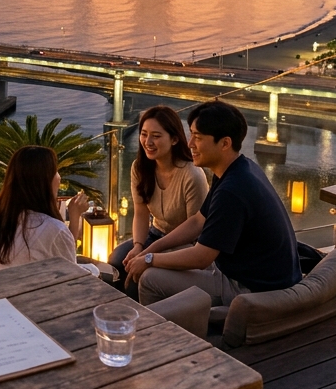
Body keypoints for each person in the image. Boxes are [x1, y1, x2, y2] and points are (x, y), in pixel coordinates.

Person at [126, 100, 302, 307]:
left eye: (198, 137)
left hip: (250, 286)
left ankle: (164, 335)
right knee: (144, 265)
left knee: (150, 279)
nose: (190, 143)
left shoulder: (232, 189)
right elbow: (197, 221)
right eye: (191, 134)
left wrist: (149, 260)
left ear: (225, 143)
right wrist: (149, 250)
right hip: (248, 272)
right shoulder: (237, 168)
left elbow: (202, 257)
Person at [109, 106, 208, 295]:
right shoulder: (140, 168)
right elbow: (140, 212)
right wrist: (138, 245)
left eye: (156, 136)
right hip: (155, 234)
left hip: (183, 244)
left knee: (137, 277)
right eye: (144, 134)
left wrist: (149, 253)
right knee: (117, 262)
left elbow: (195, 229)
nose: (148, 142)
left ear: (174, 139)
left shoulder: (192, 175)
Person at [0, 145, 89, 275]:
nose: (59, 177)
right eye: (55, 171)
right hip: (29, 294)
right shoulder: (52, 228)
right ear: (44, 181)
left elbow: (56, 245)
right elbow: (71, 278)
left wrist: (73, 217)